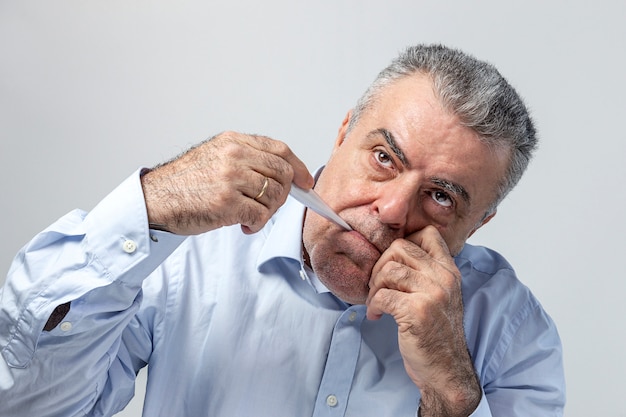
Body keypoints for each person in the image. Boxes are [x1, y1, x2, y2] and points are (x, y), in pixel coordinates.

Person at [0, 44, 565, 416]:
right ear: (343, 133)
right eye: (385, 158)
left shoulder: (512, 331)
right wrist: (152, 205)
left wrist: (450, 396)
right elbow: (31, 405)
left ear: (480, 223)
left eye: (441, 197)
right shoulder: (194, 256)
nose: (392, 210)